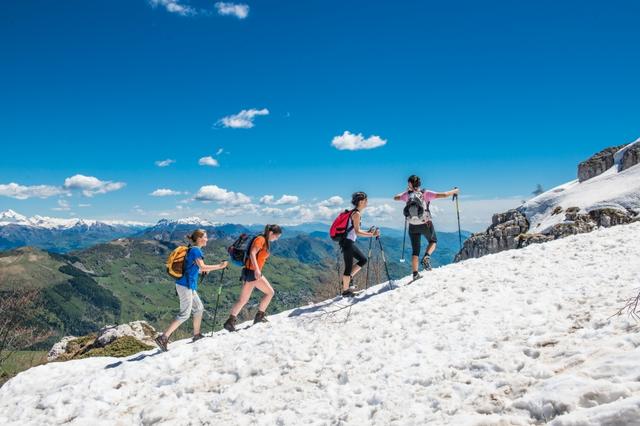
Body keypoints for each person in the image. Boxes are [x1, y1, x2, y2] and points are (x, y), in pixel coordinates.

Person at [155, 229, 228, 351]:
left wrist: (203, 270)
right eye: (205, 237)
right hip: (185, 286)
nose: (207, 239)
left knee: (199, 308)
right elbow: (202, 266)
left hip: (188, 285)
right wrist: (220, 266)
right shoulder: (196, 250)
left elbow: (194, 267)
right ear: (199, 239)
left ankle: (196, 335)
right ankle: (163, 338)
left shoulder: (192, 249)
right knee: (185, 314)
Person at [394, 175, 459, 280]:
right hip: (425, 224)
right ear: (419, 184)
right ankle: (426, 256)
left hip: (412, 226)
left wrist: (406, 192)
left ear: (410, 184)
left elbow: (395, 197)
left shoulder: (407, 195)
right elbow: (444, 194)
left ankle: (415, 274)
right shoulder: (426, 193)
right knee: (433, 241)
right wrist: (454, 191)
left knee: (415, 250)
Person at [223, 224, 283, 332]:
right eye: (276, 236)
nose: (277, 238)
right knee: (270, 292)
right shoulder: (261, 239)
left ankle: (230, 322)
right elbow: (252, 253)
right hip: (253, 272)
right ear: (271, 233)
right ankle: (258, 317)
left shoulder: (264, 240)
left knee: (243, 300)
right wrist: (256, 269)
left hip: (251, 272)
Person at [339, 192, 380, 297]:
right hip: (347, 243)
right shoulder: (356, 214)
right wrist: (371, 234)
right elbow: (357, 232)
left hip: (348, 242)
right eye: (366, 200)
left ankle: (348, 280)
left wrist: (368, 231)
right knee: (349, 267)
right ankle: (345, 291)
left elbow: (355, 230)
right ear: (361, 201)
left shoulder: (354, 212)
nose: (367, 202)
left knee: (363, 260)